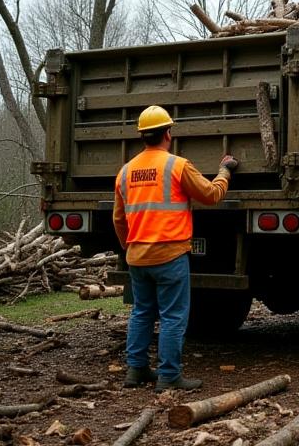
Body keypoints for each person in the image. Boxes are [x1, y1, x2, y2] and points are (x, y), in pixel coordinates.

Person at [113, 105, 240, 392]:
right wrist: (224, 172)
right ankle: (168, 376)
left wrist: (129, 248)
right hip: (169, 255)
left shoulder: (125, 171)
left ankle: (136, 371)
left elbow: (119, 218)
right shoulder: (176, 166)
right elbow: (210, 195)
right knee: (172, 315)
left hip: (137, 256)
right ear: (168, 134)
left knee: (142, 311)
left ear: (142, 136)